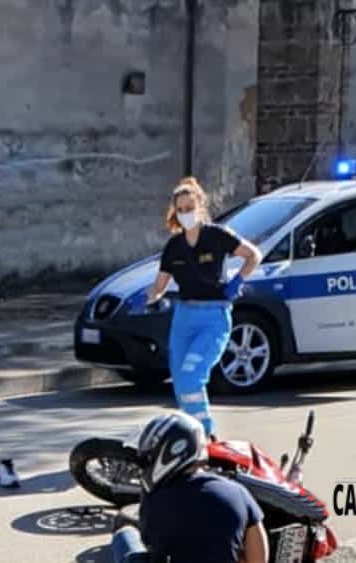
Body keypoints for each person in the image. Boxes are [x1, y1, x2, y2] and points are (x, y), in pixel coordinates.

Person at [133, 177, 262, 438]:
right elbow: (159, 285)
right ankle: (190, 435)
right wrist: (146, 298)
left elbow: (253, 255)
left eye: (189, 208)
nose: (185, 214)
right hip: (184, 318)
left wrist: (238, 281)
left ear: (200, 206)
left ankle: (205, 435)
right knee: (181, 383)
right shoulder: (174, 247)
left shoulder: (217, 236)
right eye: (180, 210)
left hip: (213, 318)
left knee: (192, 374)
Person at [110, 411, 269, 563]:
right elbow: (259, 558)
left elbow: (153, 546)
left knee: (124, 534)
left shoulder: (155, 502)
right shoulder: (238, 492)